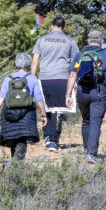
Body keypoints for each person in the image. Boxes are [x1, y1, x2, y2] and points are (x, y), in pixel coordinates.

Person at [65, 31, 106, 163]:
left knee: (86, 121)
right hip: (98, 91)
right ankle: (92, 154)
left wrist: (68, 95)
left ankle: (87, 149)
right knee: (95, 122)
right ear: (101, 41)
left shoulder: (79, 55)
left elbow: (72, 75)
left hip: (82, 91)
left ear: (88, 41)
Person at [31, 16, 79, 151]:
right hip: (63, 78)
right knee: (58, 109)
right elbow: (75, 62)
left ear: (51, 26)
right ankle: (53, 140)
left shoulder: (42, 39)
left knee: (46, 107)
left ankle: (47, 136)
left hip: (45, 77)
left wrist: (32, 79)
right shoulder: (69, 40)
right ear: (63, 27)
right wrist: (75, 80)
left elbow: (35, 61)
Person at [0, 54, 47, 161]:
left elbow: (1, 98)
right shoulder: (32, 79)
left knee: (13, 141)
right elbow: (39, 98)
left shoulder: (8, 79)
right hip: (26, 116)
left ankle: (14, 168)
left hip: (9, 115)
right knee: (22, 141)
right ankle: (16, 168)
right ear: (29, 65)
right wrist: (44, 114)